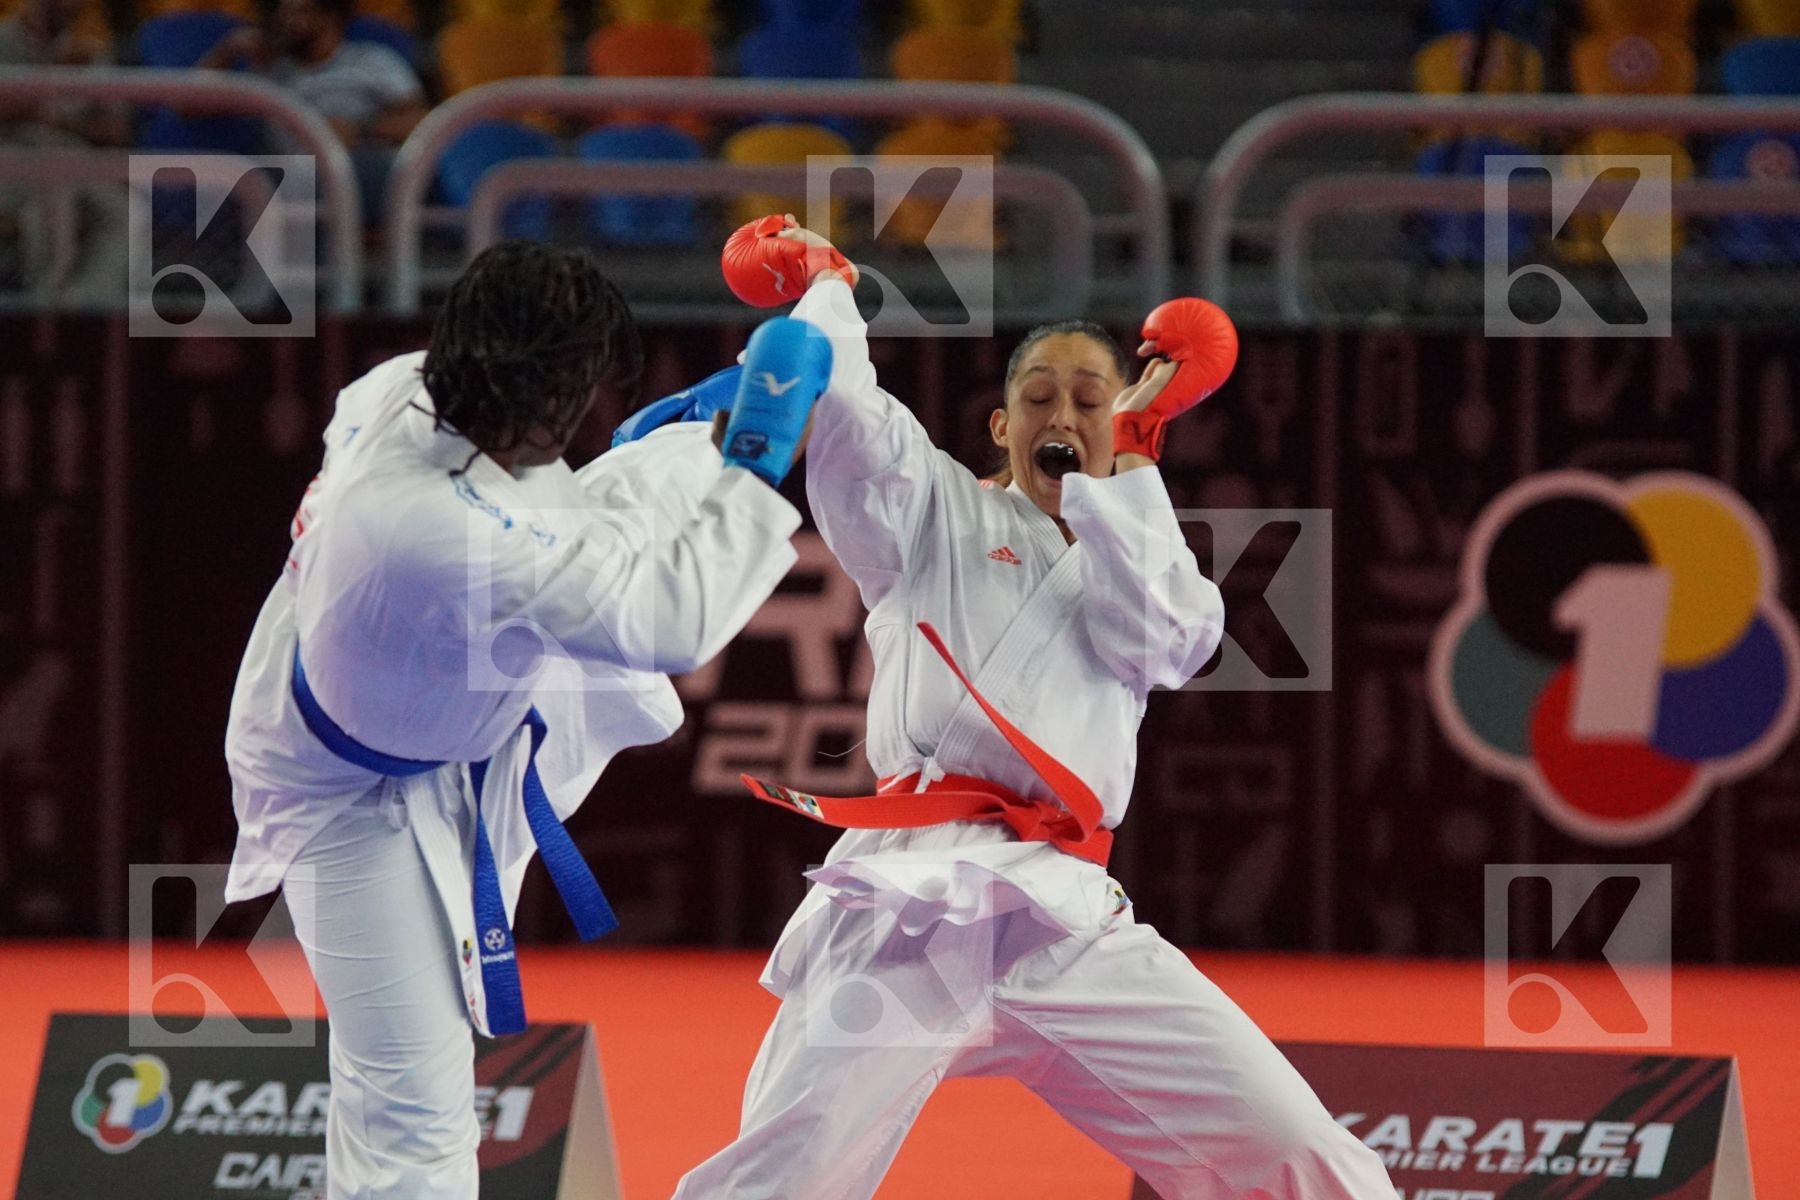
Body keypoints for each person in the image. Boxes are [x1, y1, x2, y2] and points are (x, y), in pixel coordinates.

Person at [671, 222, 1398, 1199]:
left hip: (1065, 918)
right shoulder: (932, 515)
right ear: (1003, 427)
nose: (1064, 411)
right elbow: (852, 419)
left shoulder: (1129, 542)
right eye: (1038, 396)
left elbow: (1175, 639)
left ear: (1124, 426)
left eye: (1093, 400)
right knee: (781, 1177)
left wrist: (1128, 477)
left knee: (1298, 1153)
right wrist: (828, 287)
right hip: (910, 912)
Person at [223, 241, 828, 1199]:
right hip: (350, 801)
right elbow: (670, 619)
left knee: (638, 486)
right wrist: (755, 454)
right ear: (552, 389)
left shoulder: (406, 389)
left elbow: (566, 511)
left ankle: (691, 438)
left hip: (444, 699)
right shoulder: (428, 523)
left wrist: (696, 418)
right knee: (412, 1120)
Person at [201, 0, 426, 220]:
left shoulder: (372, 60)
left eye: (298, 12)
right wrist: (226, 51)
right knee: (262, 176)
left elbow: (421, 121)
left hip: (358, 166)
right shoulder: (271, 71)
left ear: (330, 18)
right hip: (287, 174)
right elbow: (190, 108)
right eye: (283, 12)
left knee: (315, 174)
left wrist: (359, 129)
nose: (285, 21)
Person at [0, 0, 130, 302]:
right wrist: (58, 76)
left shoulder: (90, 52)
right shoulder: (5, 41)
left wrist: (64, 119)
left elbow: (116, 131)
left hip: (76, 160)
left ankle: (90, 304)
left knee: (125, 212)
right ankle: (45, 308)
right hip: (12, 162)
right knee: (51, 207)